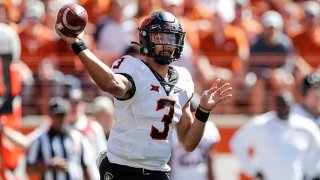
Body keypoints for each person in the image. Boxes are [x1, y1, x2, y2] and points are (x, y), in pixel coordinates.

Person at [55, 11, 232, 180]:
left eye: (171, 38)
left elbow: (188, 143)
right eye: (160, 37)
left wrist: (203, 111)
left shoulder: (183, 80)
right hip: (121, 168)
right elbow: (112, 84)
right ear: (147, 40)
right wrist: (78, 45)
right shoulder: (133, 68)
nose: (168, 44)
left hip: (157, 170)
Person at [229, 91, 320, 180]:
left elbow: (317, 149)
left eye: (286, 104)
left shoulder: (305, 125)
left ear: (291, 105)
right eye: (281, 104)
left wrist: (308, 172)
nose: (284, 107)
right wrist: (252, 170)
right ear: (275, 105)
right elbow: (237, 143)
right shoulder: (261, 124)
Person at [26, 96, 91, 180]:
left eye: (62, 115)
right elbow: (29, 169)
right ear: (50, 116)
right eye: (57, 115)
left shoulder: (78, 138)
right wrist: (49, 166)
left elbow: (85, 167)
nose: (60, 119)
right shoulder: (39, 140)